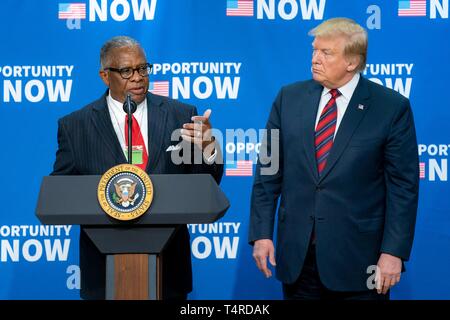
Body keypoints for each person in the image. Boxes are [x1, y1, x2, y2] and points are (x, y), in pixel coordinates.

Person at [249, 18, 419, 300]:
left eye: (326, 53)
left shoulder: (391, 108)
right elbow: (268, 170)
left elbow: (403, 188)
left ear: (352, 62)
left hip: (359, 261)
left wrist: (393, 252)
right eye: (314, 50)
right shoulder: (288, 98)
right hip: (298, 261)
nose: (315, 59)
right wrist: (262, 234)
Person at [51, 36, 223, 300]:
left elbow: (205, 183)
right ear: (105, 76)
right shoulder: (75, 127)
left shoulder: (180, 115)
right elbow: (61, 193)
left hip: (168, 267)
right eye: (126, 71)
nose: (138, 77)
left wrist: (209, 148)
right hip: (103, 269)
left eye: (143, 68)